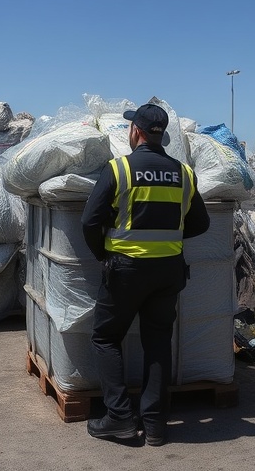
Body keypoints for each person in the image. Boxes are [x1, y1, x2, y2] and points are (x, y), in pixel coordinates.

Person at [81, 103, 210, 446]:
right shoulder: (183, 173)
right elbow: (201, 223)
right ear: (161, 135)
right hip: (168, 271)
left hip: (125, 269)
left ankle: (120, 417)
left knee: (106, 338)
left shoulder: (119, 168)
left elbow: (89, 221)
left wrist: (102, 255)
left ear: (135, 131)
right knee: (157, 344)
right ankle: (155, 425)